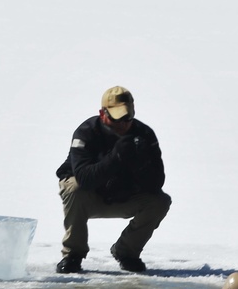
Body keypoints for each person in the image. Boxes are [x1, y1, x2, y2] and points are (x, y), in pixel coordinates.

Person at [55, 86, 171, 274]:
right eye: (115, 118)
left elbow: (157, 183)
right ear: (102, 114)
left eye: (127, 118)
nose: (121, 124)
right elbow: (85, 179)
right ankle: (73, 254)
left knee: (160, 201)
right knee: (73, 187)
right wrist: (116, 157)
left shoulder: (144, 135)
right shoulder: (86, 132)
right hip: (89, 197)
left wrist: (139, 163)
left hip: (124, 196)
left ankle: (127, 251)